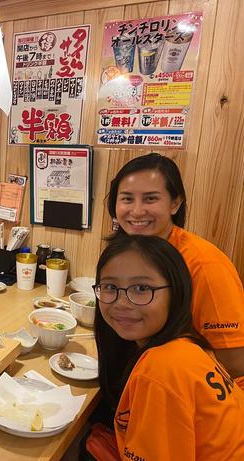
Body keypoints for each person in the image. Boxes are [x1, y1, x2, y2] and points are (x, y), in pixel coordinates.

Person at [94, 234, 244, 459]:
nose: (122, 303)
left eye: (142, 288)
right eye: (110, 287)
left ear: (176, 292)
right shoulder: (189, 345)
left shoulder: (160, 369)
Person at [107, 153, 244, 388]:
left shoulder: (204, 264)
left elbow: (235, 363)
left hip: (204, 392)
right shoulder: (128, 252)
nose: (137, 211)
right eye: (127, 199)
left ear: (175, 203)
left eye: (150, 199)